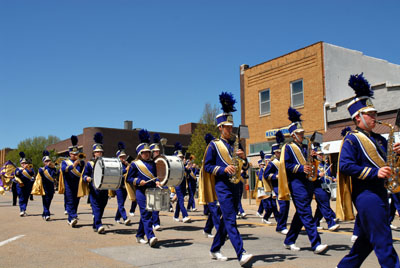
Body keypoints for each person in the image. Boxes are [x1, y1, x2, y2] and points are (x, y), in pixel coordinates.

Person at [336, 73, 400, 268]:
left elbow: (390, 165)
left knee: (364, 244)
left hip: (381, 193)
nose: (375, 117)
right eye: (370, 114)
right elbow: (345, 165)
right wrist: (374, 173)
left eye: (375, 113)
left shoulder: (381, 139)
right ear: (358, 117)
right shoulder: (352, 139)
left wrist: (398, 154)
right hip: (365, 195)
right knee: (383, 242)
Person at [199, 92, 253, 266]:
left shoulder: (236, 143)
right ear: (220, 127)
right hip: (222, 185)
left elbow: (245, 167)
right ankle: (241, 253)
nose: (230, 130)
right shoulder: (214, 145)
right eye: (227, 127)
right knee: (230, 218)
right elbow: (206, 166)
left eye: (231, 126)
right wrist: (223, 169)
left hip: (236, 185)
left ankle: (215, 248)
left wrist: (244, 158)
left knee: (227, 219)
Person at [278, 107, 328, 254]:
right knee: (306, 212)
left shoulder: (306, 147)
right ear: (293, 135)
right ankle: (316, 243)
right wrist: (301, 168)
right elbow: (285, 165)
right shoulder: (288, 147)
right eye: (299, 133)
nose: (302, 135)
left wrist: (314, 158)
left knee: (301, 213)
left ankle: (289, 240)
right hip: (296, 183)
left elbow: (310, 163)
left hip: (308, 182)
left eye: (302, 132)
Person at [126, 129, 159, 247]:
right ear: (140, 153)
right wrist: (139, 181)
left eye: (148, 152)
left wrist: (158, 182)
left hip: (151, 191)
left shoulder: (153, 164)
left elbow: (156, 177)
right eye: (145, 152)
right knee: (145, 213)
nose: (147, 154)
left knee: (147, 214)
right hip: (140, 191)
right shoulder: (135, 164)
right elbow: (129, 179)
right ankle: (151, 236)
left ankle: (139, 235)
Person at [80, 133, 110, 234]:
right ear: (94, 153)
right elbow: (84, 175)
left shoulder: (106, 162)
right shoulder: (89, 164)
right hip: (94, 189)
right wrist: (87, 178)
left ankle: (95, 224)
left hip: (104, 188)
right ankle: (99, 224)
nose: (99, 153)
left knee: (102, 206)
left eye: (100, 152)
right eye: (97, 152)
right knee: (96, 206)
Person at [264, 130, 289, 235]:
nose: (280, 153)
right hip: (277, 186)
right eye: (278, 152)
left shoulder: (284, 161)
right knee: (283, 205)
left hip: (285, 186)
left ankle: (282, 224)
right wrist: (275, 176)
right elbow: (266, 175)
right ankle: (281, 225)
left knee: (286, 205)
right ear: (275, 153)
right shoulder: (272, 164)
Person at [59, 135, 84, 227]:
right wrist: (73, 165)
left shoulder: (81, 162)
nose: (75, 155)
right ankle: (72, 217)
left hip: (78, 185)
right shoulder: (65, 162)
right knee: (70, 201)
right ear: (70, 154)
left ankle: (71, 217)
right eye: (73, 154)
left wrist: (80, 162)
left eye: (76, 153)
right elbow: (63, 169)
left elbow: (83, 171)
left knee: (76, 201)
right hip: (68, 185)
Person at [312, 148, 340, 231]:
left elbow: (329, 175)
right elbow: (310, 176)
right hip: (318, 186)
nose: (321, 156)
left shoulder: (325, 164)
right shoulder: (314, 164)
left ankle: (315, 223)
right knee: (324, 205)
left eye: (322, 154)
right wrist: (317, 174)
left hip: (326, 187)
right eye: (319, 154)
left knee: (321, 206)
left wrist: (333, 179)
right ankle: (331, 223)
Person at [201, 133, 222, 239]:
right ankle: (220, 231)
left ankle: (207, 229)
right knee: (214, 208)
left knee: (217, 209)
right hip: (209, 187)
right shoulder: (208, 155)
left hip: (217, 186)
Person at [32, 151, 58, 221]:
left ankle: (44, 213)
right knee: (45, 200)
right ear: (44, 162)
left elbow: (56, 174)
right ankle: (47, 214)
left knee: (49, 201)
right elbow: (40, 172)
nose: (48, 162)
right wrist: (47, 166)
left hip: (51, 187)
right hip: (44, 187)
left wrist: (56, 167)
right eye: (46, 161)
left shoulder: (52, 168)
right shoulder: (42, 168)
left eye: (49, 160)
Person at [114, 141, 133, 226]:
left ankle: (117, 217)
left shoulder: (126, 164)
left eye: (124, 156)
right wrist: (126, 169)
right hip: (118, 186)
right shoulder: (116, 164)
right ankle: (125, 218)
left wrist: (129, 165)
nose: (123, 158)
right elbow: (119, 172)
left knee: (121, 203)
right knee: (121, 203)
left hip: (125, 186)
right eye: (121, 157)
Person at [173, 142, 191, 223]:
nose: (181, 158)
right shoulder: (174, 165)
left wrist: (188, 167)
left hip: (183, 183)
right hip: (177, 183)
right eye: (179, 157)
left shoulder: (183, 165)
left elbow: (188, 172)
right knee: (180, 199)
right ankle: (185, 215)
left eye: (182, 157)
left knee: (180, 200)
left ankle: (176, 215)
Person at [14, 152, 35, 216]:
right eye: (23, 163)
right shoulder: (18, 169)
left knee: (26, 197)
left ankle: (24, 209)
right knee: (21, 197)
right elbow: (17, 174)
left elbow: (33, 174)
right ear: (20, 163)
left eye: (25, 163)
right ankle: (22, 210)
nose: (24, 164)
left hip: (28, 185)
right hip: (20, 185)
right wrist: (23, 168)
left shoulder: (29, 168)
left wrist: (28, 168)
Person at [150, 133, 162, 230]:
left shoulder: (161, 161)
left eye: (158, 151)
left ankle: (156, 223)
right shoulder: (149, 162)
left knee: (156, 205)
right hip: (149, 185)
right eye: (155, 151)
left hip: (158, 185)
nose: (157, 152)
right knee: (150, 207)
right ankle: (151, 222)